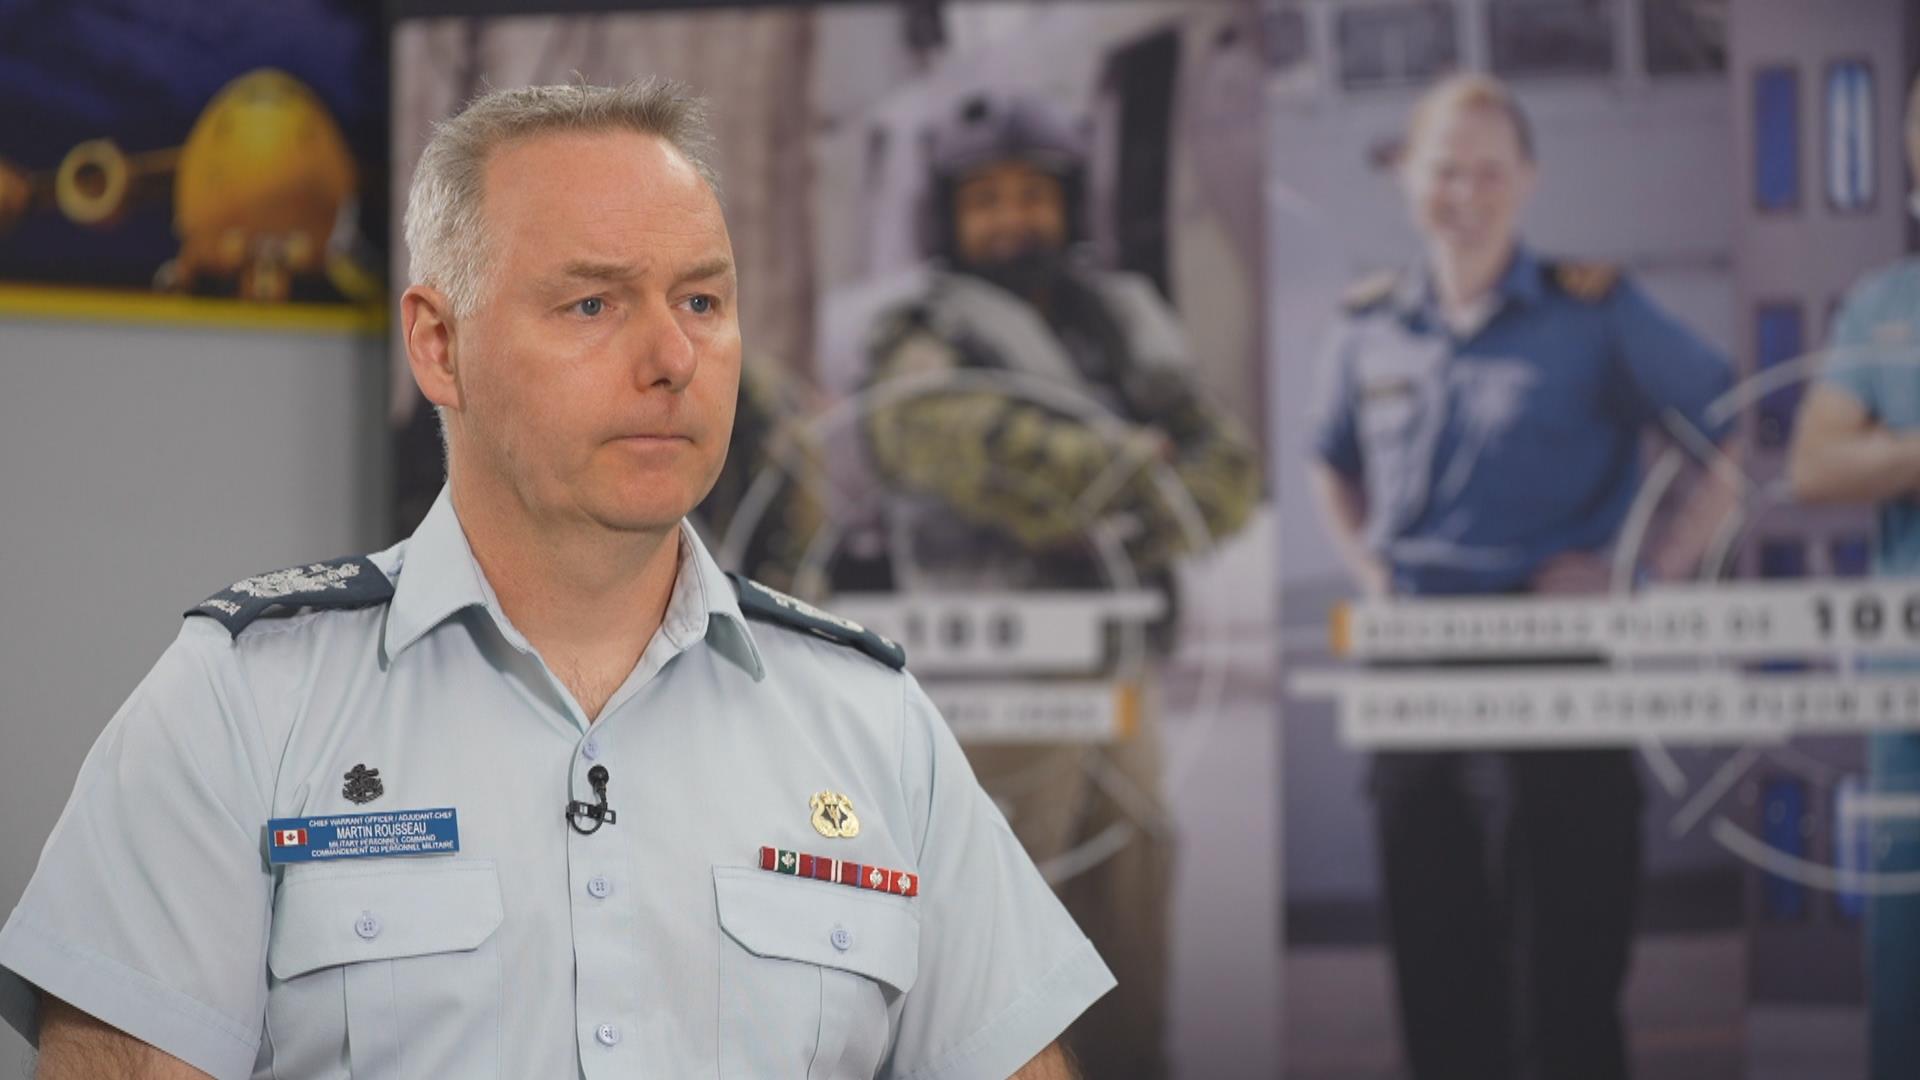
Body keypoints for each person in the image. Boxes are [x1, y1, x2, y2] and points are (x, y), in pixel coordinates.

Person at [0, 80, 1112, 1080]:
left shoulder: (873, 724)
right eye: (593, 304)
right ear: (439, 346)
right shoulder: (245, 702)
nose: (671, 358)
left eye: (702, 302)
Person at [1304, 74, 1735, 1080]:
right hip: (1415, 669)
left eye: (1489, 172)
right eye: (1445, 170)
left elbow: (1728, 431)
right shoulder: (1368, 323)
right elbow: (1331, 462)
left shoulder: (1596, 310)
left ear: (1528, 180)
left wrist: (1646, 575)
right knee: (1439, 977)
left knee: (1564, 984)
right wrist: (1369, 570)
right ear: (1408, 179)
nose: (1466, 193)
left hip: (1554, 664)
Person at [860, 93, 1259, 1080]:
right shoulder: (920, 335)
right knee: (996, 933)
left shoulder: (1115, 322)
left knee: (1132, 900)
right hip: (1000, 682)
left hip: (1121, 668)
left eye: (1032, 195)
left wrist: (1118, 500)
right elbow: (960, 445)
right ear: (949, 216)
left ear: (1070, 202)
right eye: (987, 200)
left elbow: (1228, 474)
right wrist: (1131, 473)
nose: (1013, 219)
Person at [1787, 71, 1920, 1080]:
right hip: (1910, 695)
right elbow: (1816, 464)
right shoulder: (1885, 306)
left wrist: (1891, 450)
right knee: (1906, 973)